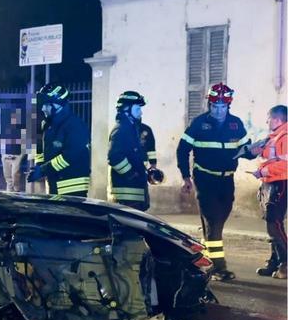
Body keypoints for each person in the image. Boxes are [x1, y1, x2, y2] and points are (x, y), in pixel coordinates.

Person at [176, 83, 247, 281]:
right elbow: (182, 150)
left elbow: (245, 149)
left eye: (222, 107)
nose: (218, 111)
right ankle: (218, 267)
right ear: (210, 104)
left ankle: (203, 250)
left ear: (228, 106)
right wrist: (185, 177)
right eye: (215, 106)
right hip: (205, 179)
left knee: (219, 218)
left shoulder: (236, 124)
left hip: (227, 180)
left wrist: (254, 150)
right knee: (213, 220)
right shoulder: (199, 124)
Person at [27, 84, 91, 196]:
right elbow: (41, 148)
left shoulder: (75, 125)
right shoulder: (47, 125)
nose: (43, 109)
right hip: (54, 183)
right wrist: (39, 164)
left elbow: (70, 156)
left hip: (72, 186)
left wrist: (43, 170)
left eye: (46, 105)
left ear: (57, 105)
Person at [247, 105, 287, 279]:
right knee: (271, 224)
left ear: (277, 119)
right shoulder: (273, 137)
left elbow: (285, 163)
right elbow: (271, 157)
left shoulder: (285, 137)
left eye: (268, 118)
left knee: (274, 224)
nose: (266, 121)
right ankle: (275, 262)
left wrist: (264, 171)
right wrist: (257, 151)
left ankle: (285, 263)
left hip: (280, 183)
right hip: (269, 183)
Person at [107, 91, 163, 211]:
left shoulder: (131, 129)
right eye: (138, 109)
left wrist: (147, 171)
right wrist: (131, 174)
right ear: (126, 109)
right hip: (126, 194)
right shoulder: (121, 130)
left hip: (134, 191)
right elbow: (114, 157)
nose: (141, 112)